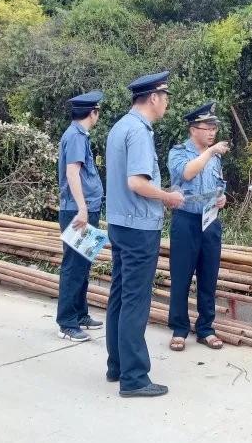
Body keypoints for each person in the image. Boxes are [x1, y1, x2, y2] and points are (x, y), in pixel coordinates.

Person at [104, 70, 185, 398]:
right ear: (153, 97)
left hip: (120, 223)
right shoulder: (138, 132)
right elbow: (137, 183)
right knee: (135, 301)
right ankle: (134, 378)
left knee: (120, 295)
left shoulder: (119, 126)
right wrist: (168, 197)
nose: (166, 103)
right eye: (165, 97)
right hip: (138, 228)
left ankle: (117, 366)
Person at [166, 102, 228, 352]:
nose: (212, 132)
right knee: (181, 276)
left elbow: (218, 184)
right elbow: (188, 174)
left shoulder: (214, 158)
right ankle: (179, 329)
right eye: (207, 127)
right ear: (193, 129)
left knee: (209, 276)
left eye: (215, 127)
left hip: (210, 221)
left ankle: (205, 328)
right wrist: (210, 152)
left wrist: (222, 198)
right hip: (185, 221)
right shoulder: (179, 152)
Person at [56, 90, 105, 342]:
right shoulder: (75, 136)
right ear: (92, 113)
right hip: (77, 211)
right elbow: (72, 174)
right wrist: (83, 209)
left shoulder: (79, 135)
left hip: (87, 209)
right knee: (73, 267)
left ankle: (80, 313)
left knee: (83, 264)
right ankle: (66, 322)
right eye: (97, 112)